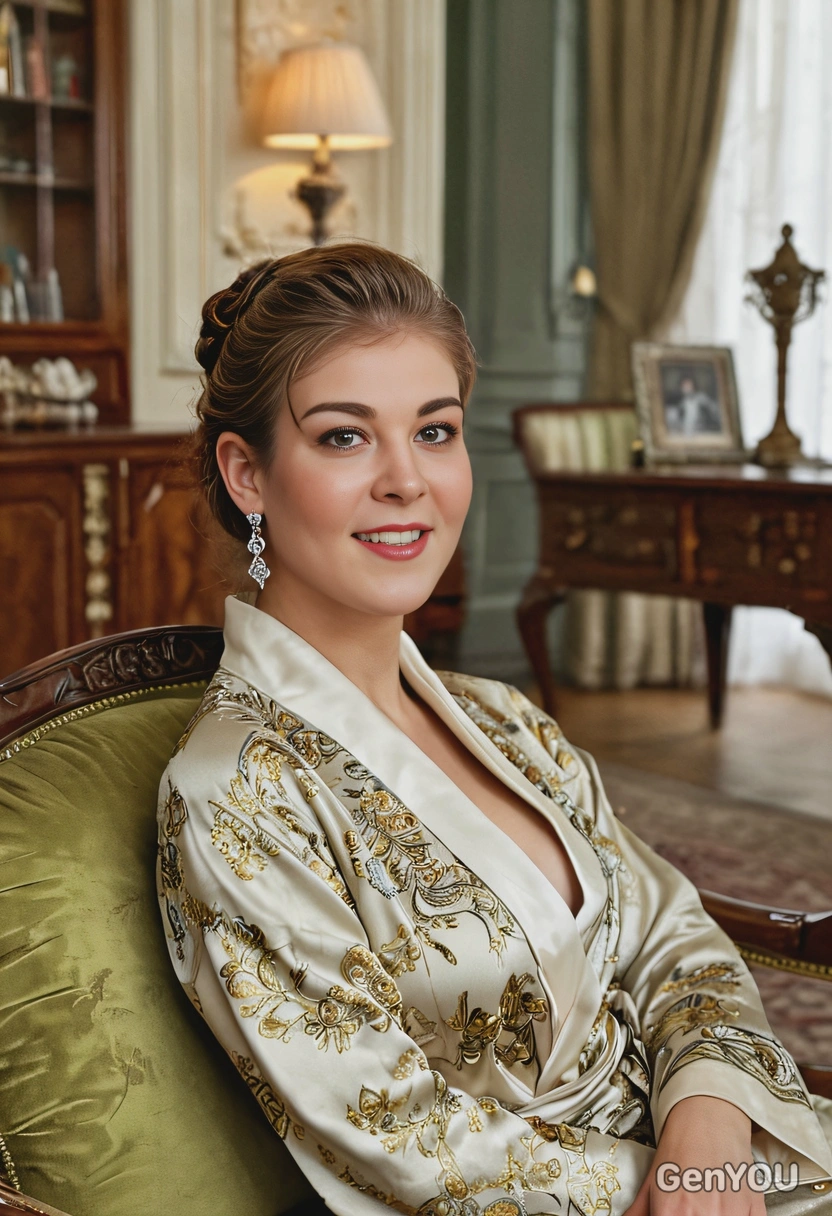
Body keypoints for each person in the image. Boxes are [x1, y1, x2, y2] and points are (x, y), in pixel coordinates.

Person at [157, 243, 832, 1216]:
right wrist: (697, 1186)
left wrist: (711, 1120)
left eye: (435, 431)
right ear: (247, 472)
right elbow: (402, 1137)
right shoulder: (237, 796)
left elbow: (673, 935)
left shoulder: (502, 719)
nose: (406, 480)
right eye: (345, 438)